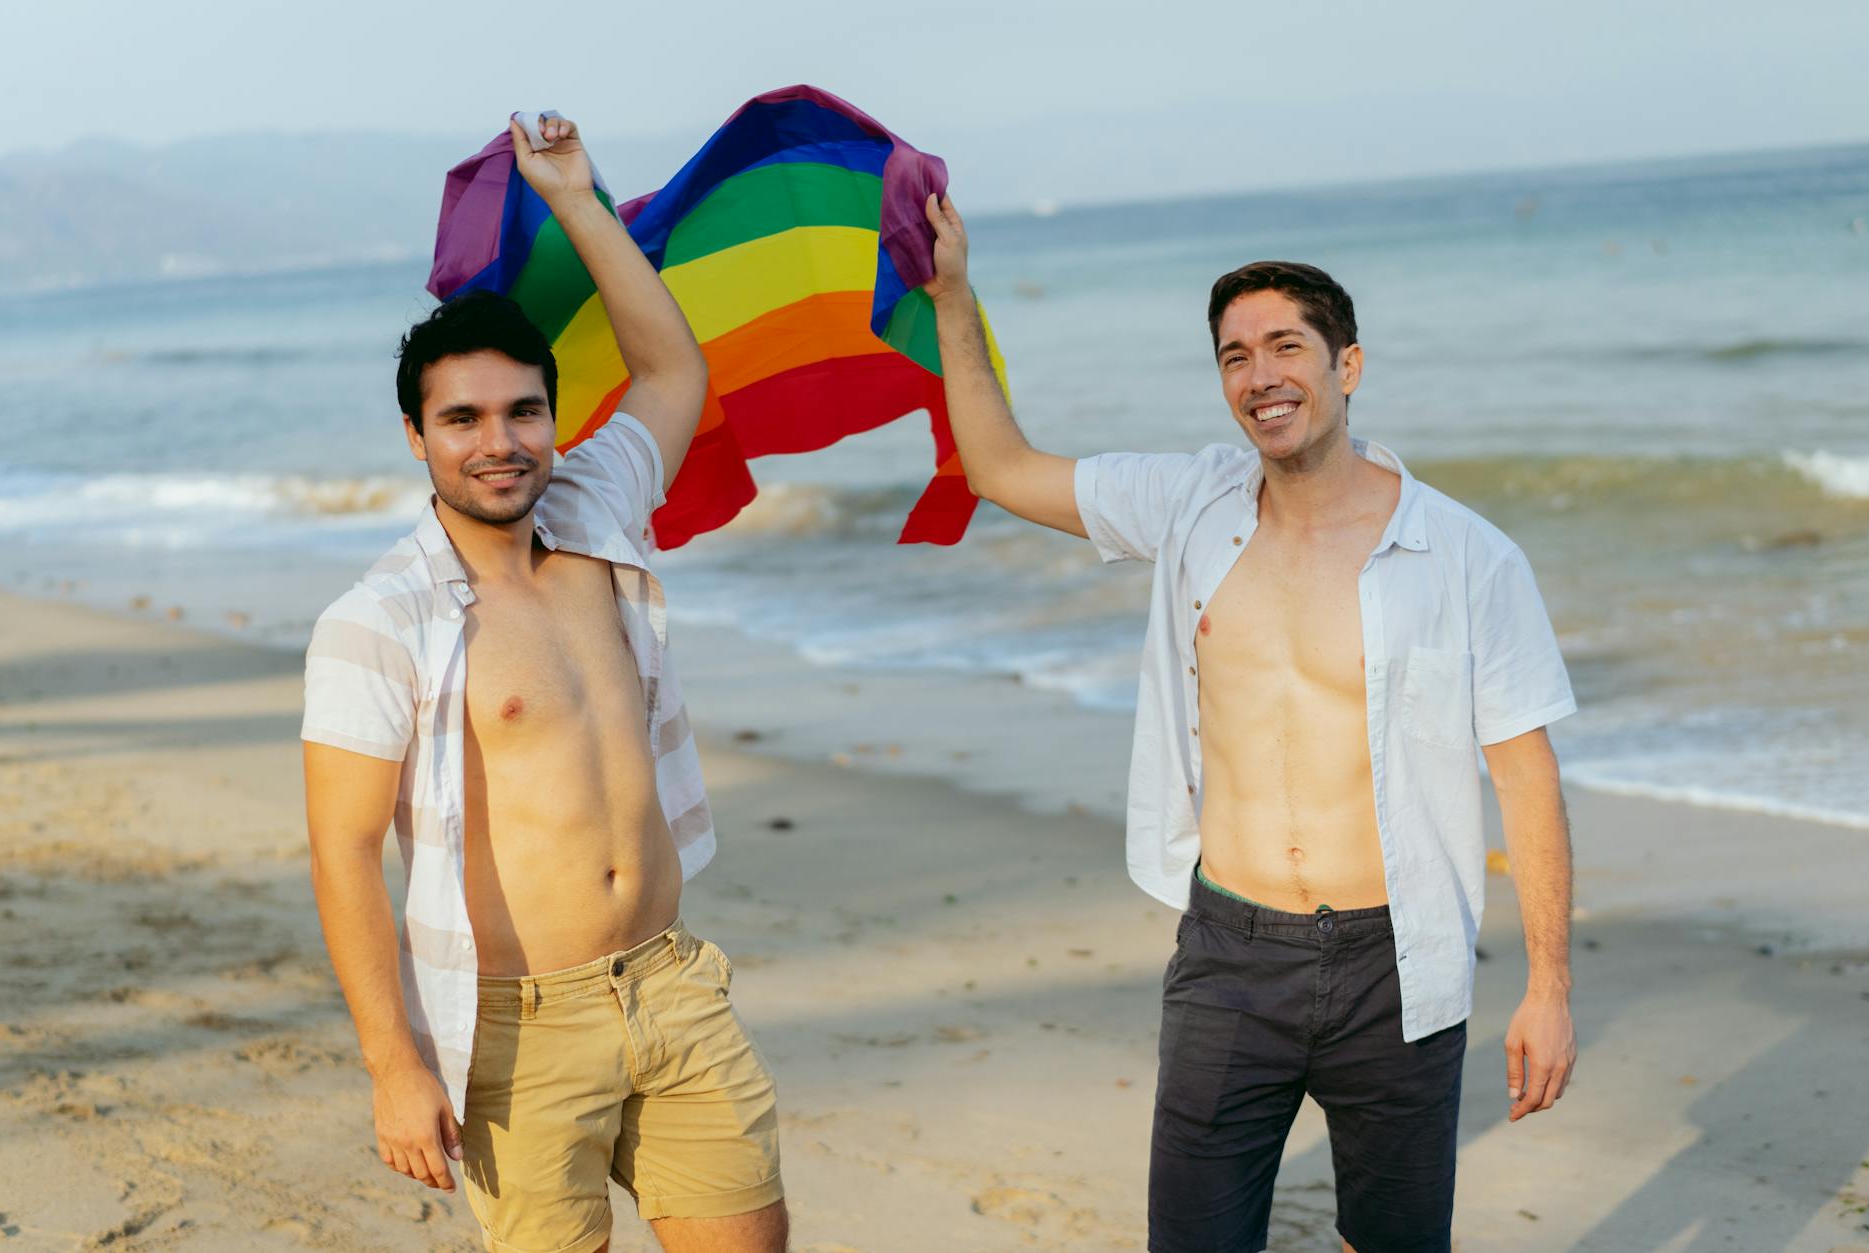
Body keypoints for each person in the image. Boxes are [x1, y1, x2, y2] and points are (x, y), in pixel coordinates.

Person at [920, 194, 1578, 1253]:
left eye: (1284, 345)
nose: (1259, 375)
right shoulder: (1190, 503)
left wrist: (1547, 986)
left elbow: (1526, 769)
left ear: (1346, 365)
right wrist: (952, 294)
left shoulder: (1465, 556)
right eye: (1234, 355)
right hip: (1230, 946)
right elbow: (1000, 469)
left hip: (1395, 957)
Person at [302, 116, 786, 1253]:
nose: (499, 441)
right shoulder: (376, 620)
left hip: (669, 982)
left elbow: (674, 366)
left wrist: (577, 199)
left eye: (524, 410)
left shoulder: (598, 512)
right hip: (518, 1030)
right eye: (461, 419)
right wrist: (393, 1062)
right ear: (416, 436)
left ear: (554, 418)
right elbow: (342, 852)